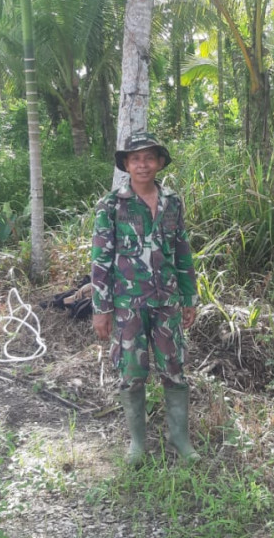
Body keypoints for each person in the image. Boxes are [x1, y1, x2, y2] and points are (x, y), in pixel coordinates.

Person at [91, 133, 200, 466]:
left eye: (149, 158)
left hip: (167, 301)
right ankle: (138, 444)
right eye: (135, 159)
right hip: (128, 305)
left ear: (160, 162)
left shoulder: (173, 202)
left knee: (174, 368)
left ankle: (179, 438)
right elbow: (100, 259)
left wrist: (189, 296)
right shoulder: (111, 205)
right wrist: (101, 309)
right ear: (126, 164)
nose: (142, 164)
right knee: (132, 371)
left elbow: (182, 250)